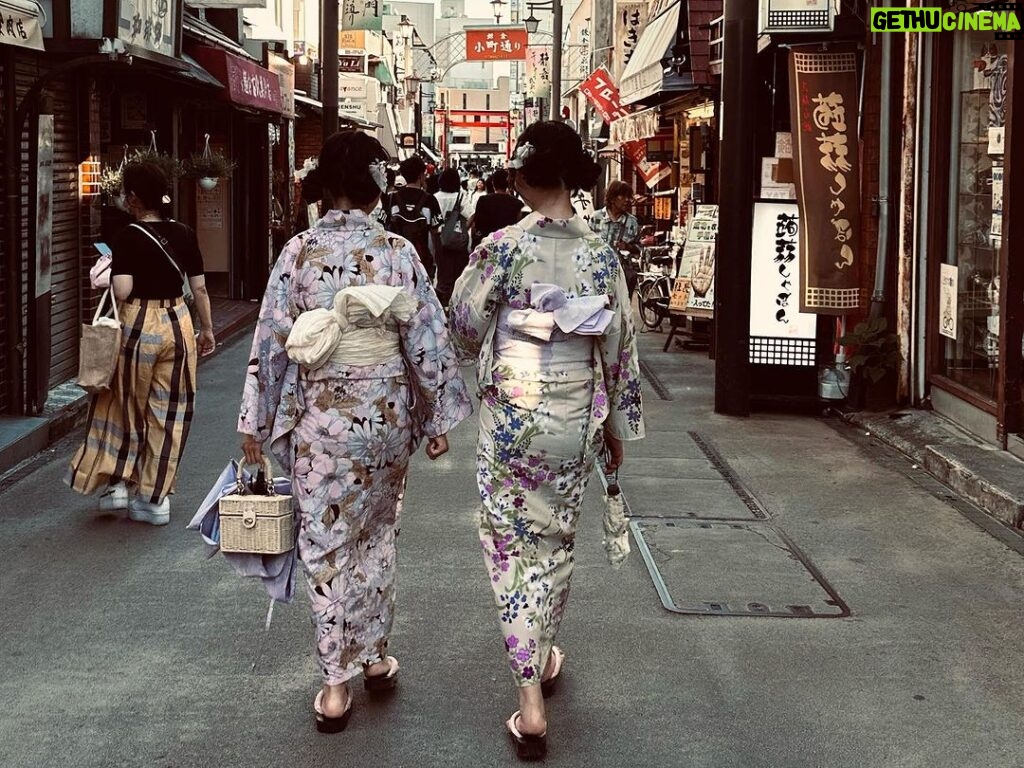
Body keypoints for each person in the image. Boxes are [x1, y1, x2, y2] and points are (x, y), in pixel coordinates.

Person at [238, 130, 472, 734]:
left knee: (325, 541)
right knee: (376, 532)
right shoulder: (398, 252)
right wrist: (438, 415)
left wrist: (254, 424)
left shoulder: (297, 253)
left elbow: (271, 342)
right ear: (374, 186)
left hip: (322, 418)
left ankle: (334, 685)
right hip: (387, 415)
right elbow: (426, 334)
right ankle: (373, 657)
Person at [448, 121, 644, 760]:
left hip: (511, 416)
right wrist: (614, 427)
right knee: (556, 541)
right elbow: (618, 350)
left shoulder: (501, 248)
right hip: (570, 417)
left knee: (509, 548)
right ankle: (544, 654)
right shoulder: (600, 255)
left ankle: (530, 702)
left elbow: (466, 327)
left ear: (530, 176)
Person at [66, 161, 216, 525]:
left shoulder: (127, 236)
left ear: (133, 198)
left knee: (124, 405)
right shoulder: (183, 232)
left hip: (139, 324)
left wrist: (109, 269)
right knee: (171, 411)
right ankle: (154, 499)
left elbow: (123, 290)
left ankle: (116, 483)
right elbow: (198, 288)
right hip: (179, 323)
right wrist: (207, 330)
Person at [384, 155, 442, 281]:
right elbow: (436, 231)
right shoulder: (430, 200)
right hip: (422, 259)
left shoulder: (391, 199)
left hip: (394, 258)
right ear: (421, 175)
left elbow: (382, 226)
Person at [589, 180, 641, 296]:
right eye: (622, 196)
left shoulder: (632, 222)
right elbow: (585, 245)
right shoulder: (596, 218)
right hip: (598, 274)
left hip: (621, 276)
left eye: (629, 196)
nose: (627, 200)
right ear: (612, 198)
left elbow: (640, 248)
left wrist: (628, 247)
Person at [433, 168, 474, 307]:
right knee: (458, 271)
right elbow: (472, 214)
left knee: (442, 272)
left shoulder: (435, 197)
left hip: (439, 238)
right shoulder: (460, 196)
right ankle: (454, 303)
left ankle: (441, 304)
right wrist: (464, 229)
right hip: (457, 240)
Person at [469, 168, 524, 248]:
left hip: (486, 244)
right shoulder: (517, 203)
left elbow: (476, 225)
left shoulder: (483, 200)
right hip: (508, 245)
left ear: (493, 183)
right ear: (508, 183)